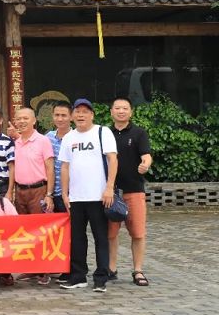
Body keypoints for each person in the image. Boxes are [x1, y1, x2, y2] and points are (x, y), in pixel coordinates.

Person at [59, 98, 117, 293]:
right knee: (77, 238)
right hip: (76, 198)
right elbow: (65, 167)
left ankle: (101, 278)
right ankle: (78, 276)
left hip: (99, 196)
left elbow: (113, 160)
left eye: (85, 111)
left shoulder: (102, 132)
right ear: (73, 116)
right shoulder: (69, 138)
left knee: (101, 237)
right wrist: (65, 193)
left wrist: (109, 187)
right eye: (78, 111)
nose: (81, 115)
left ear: (92, 114)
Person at [108, 97, 153, 286]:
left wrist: (145, 165)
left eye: (125, 108)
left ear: (131, 112)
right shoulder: (105, 133)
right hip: (110, 192)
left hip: (134, 190)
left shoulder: (139, 133)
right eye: (117, 108)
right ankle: (111, 269)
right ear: (111, 112)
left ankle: (138, 270)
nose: (121, 111)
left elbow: (147, 155)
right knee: (110, 233)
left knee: (138, 233)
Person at [12, 107, 54, 219]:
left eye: (25, 118)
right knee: (22, 226)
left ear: (34, 120)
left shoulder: (43, 140)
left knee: (39, 224)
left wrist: (49, 195)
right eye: (18, 119)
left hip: (38, 191)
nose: (22, 121)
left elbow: (50, 169)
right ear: (15, 122)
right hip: (19, 192)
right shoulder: (16, 143)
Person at [46, 102, 73, 215]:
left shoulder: (76, 138)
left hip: (71, 193)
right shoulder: (48, 137)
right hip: (51, 193)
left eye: (64, 115)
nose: (60, 119)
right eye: (57, 115)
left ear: (71, 117)